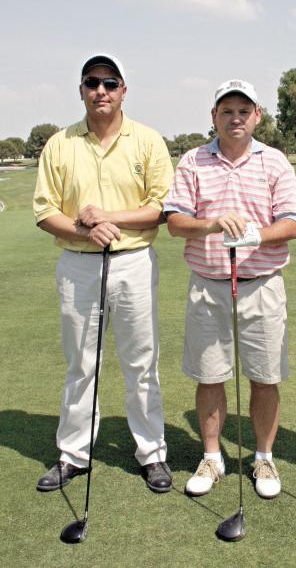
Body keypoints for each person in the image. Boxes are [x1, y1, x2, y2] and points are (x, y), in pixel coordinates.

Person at [33, 53, 175, 494]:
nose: (101, 91)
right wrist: (84, 227)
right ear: (80, 90)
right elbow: (44, 211)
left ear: (123, 91)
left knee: (141, 362)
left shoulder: (148, 141)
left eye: (110, 83)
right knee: (80, 364)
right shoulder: (60, 144)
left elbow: (160, 209)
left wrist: (105, 217)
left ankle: (151, 453)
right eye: (92, 83)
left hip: (132, 262)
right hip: (77, 265)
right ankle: (73, 454)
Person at [164, 79, 296, 499]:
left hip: (261, 285)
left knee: (264, 377)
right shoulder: (193, 161)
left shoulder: (275, 162)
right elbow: (174, 222)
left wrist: (256, 236)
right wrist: (211, 223)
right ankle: (212, 457)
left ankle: (263, 457)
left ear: (257, 115)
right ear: (214, 117)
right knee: (210, 377)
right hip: (208, 285)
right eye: (227, 111)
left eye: (244, 110)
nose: (236, 118)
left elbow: (293, 222)